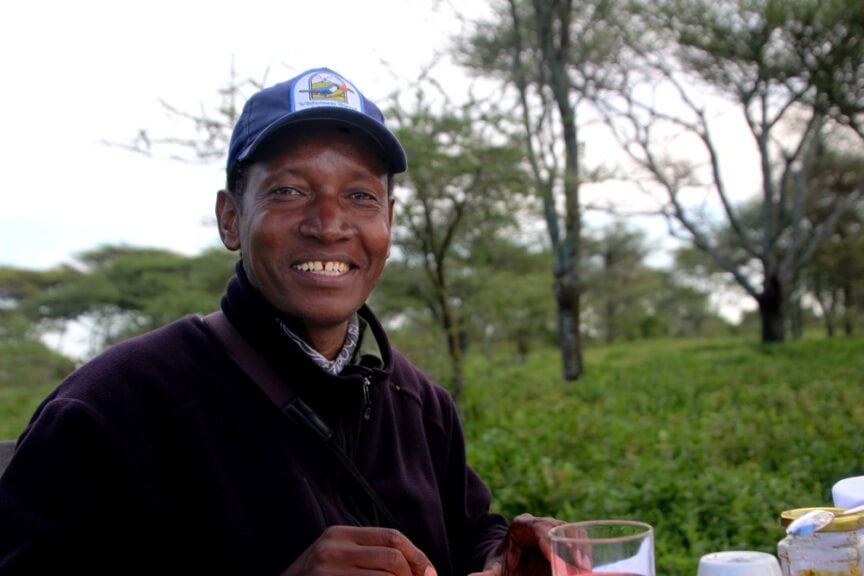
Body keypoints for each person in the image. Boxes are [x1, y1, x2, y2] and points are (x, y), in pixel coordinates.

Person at [0, 67, 563, 575]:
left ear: (388, 224)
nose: (328, 224)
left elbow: (465, 530)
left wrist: (498, 553)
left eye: (360, 195)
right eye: (289, 191)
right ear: (231, 219)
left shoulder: (420, 404)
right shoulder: (111, 409)